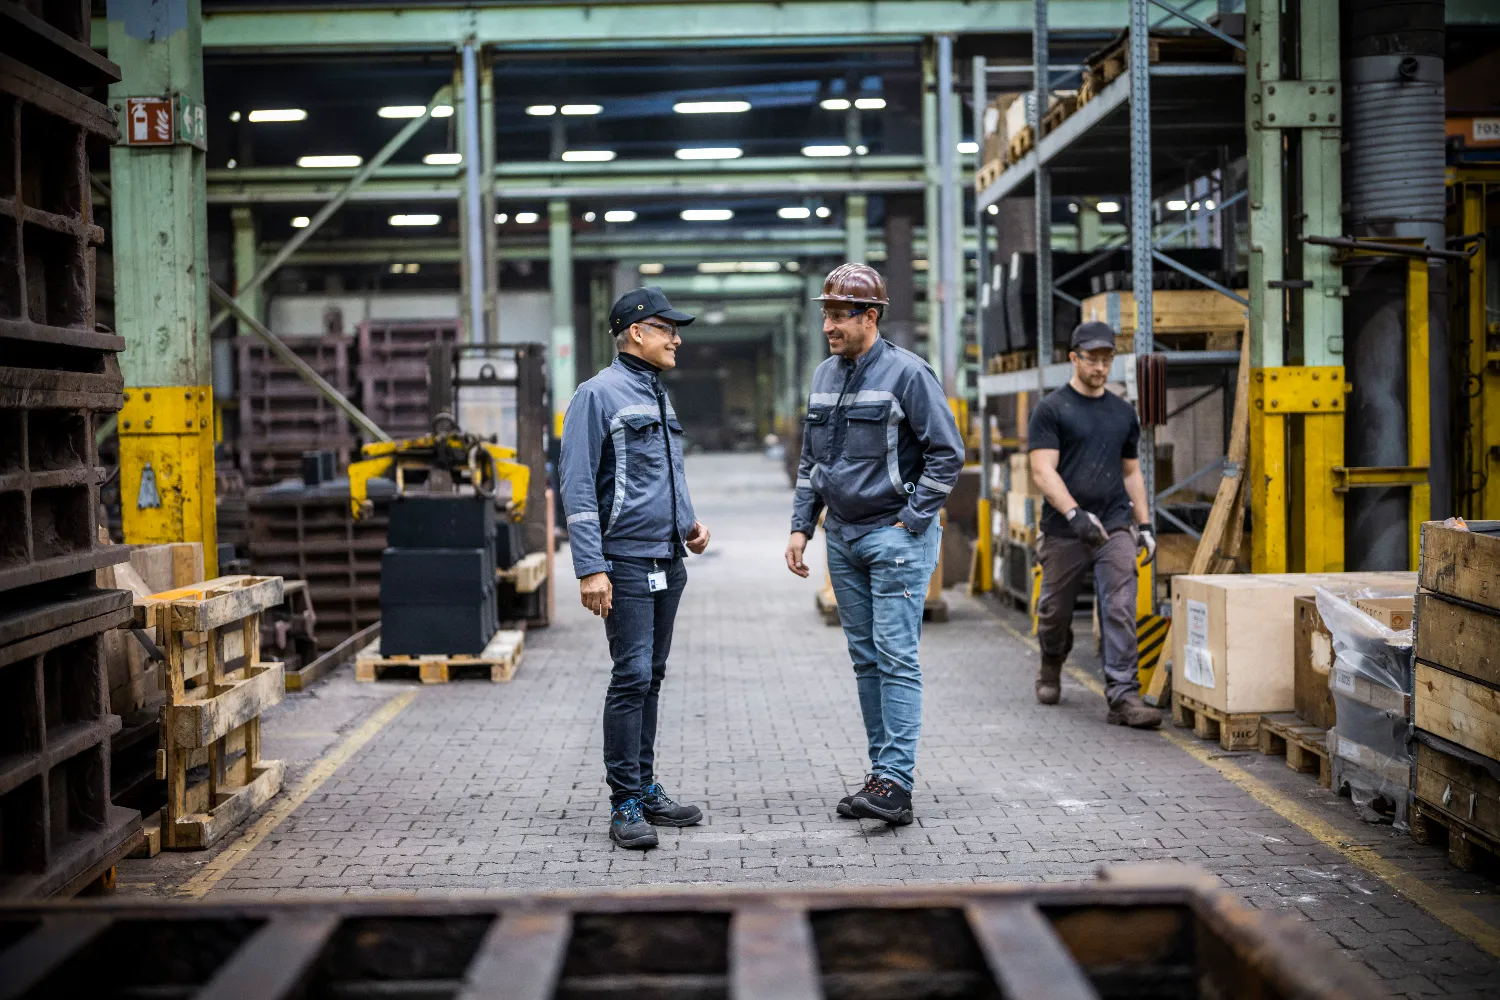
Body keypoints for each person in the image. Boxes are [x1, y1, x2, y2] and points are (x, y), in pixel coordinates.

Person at [784, 263, 964, 826]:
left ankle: (897, 783)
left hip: (894, 537)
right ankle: (881, 776)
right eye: (826, 315)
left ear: (871, 316)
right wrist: (801, 525)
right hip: (843, 537)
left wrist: (911, 521)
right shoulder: (824, 376)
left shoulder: (909, 375)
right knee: (866, 661)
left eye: (840, 315)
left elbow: (947, 453)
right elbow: (813, 461)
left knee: (896, 658)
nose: (830, 325)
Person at [560, 286, 713, 850]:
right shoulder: (596, 396)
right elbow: (576, 484)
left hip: (666, 559)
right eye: (667, 327)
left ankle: (646, 787)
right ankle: (624, 801)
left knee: (651, 677)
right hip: (621, 562)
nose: (677, 338)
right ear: (636, 333)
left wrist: (690, 525)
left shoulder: (656, 393)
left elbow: (666, 473)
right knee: (631, 676)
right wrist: (589, 567)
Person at [1027, 320, 1161, 728]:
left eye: (1107, 359)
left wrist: (1145, 523)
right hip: (1064, 529)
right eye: (1092, 359)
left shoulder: (1123, 412)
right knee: (1053, 612)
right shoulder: (1051, 409)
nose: (1100, 367)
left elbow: (1131, 472)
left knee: (1119, 606)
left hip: (1115, 526)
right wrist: (1073, 513)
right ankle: (1052, 661)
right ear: (1074, 358)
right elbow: (1042, 470)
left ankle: (1123, 696)